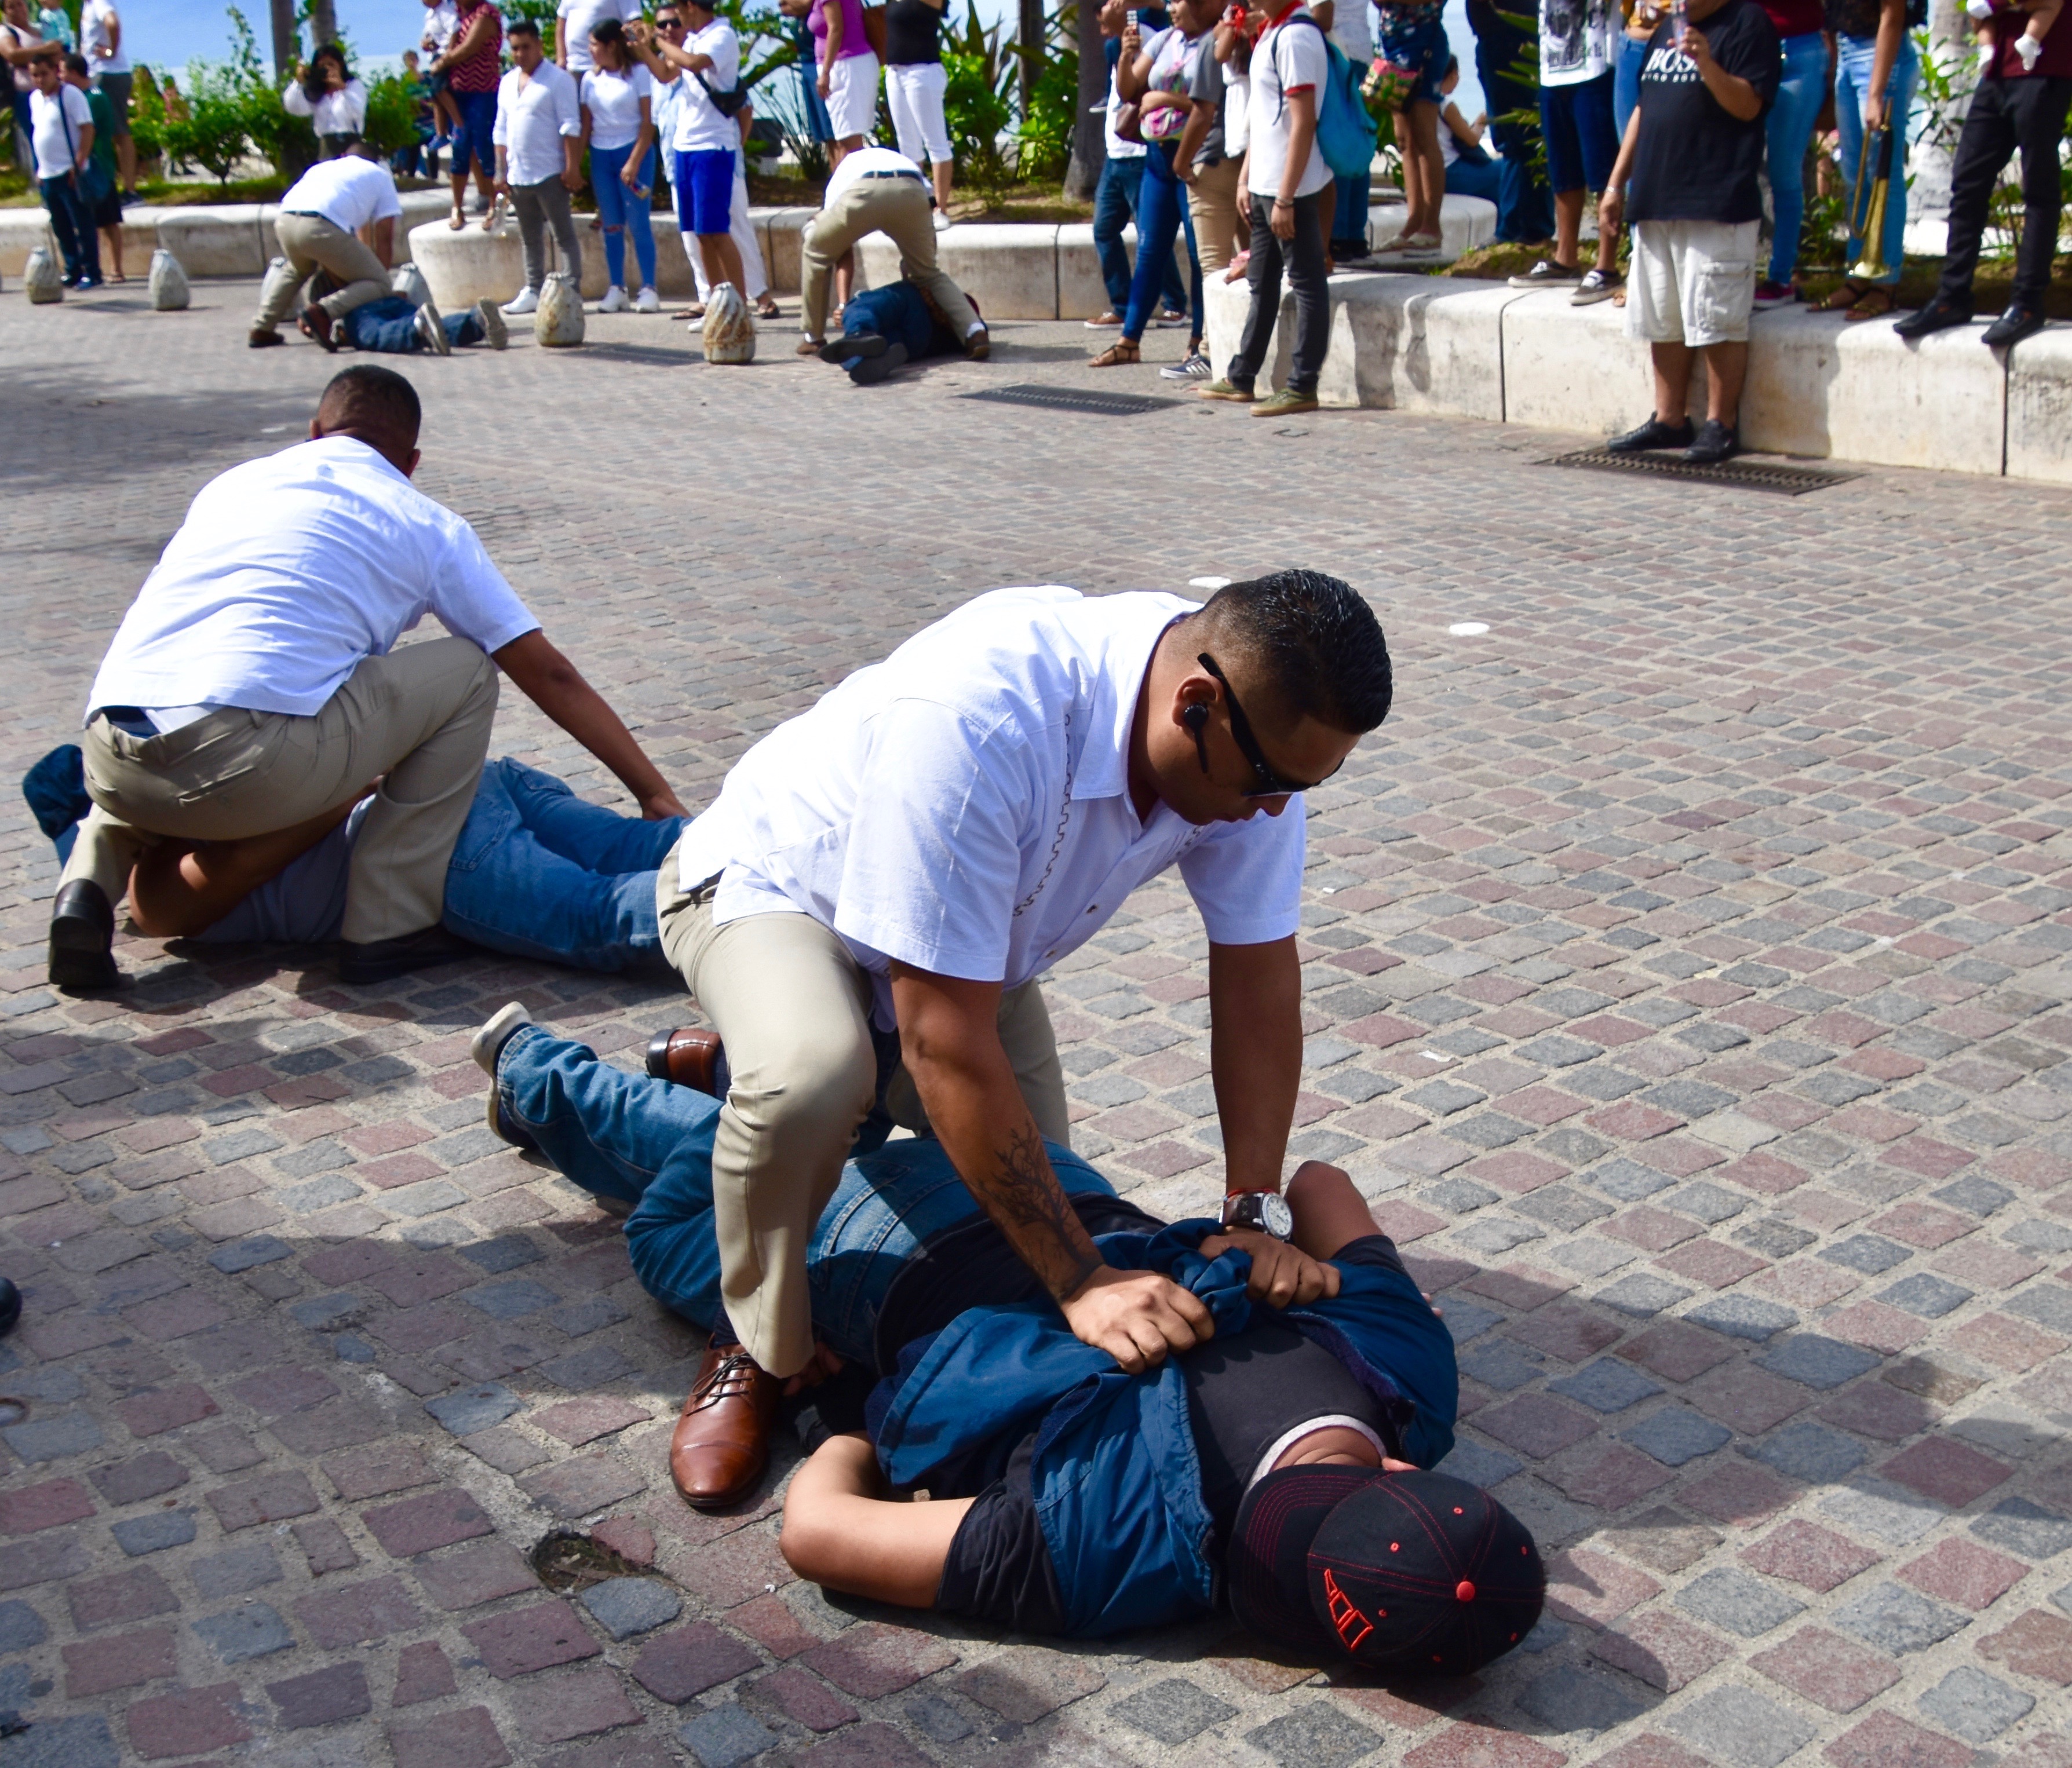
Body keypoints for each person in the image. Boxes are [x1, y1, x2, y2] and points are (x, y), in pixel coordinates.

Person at [473, 1010, 1541, 1679]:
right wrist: (849, 1428)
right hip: (871, 1267)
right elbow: (820, 1530)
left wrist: (1264, 1240)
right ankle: (568, 1074)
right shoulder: (1118, 1555)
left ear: (1403, 1466)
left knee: (769, 1136)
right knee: (678, 1217)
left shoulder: (1402, 1373)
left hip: (1043, 1184)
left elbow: (1323, 1185)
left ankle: (782, 1091)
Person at [632, 572, 1391, 1507]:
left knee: (1050, 1196)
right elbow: (942, 1038)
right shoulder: (985, 714)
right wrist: (1081, 1281)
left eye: (1309, 786)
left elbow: (1258, 981)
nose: (1275, 810)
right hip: (777, 891)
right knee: (815, 1078)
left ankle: (758, 1068)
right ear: (1195, 703)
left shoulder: (1251, 742)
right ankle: (755, 1337)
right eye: (1272, 783)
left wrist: (1251, 1213)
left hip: (958, 948)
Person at [48, 366, 689, 992]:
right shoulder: (420, 518)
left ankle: (82, 892)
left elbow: (169, 903)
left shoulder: (231, 485)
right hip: (278, 768)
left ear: (313, 432)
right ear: (410, 461)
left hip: (114, 744)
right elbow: (548, 671)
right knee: (472, 673)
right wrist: (652, 788)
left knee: (609, 897)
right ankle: (387, 923)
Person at [30, 751, 678, 975]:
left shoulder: (165, 882)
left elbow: (156, 904)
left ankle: (765, 898)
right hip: (471, 781)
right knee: (638, 846)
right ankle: (775, 844)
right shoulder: (226, 781)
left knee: (594, 913)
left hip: (422, 835)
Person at [1600, 0, 1779, 462]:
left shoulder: (1748, 23)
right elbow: (1645, 105)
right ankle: (1669, 419)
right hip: (1658, 195)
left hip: (1715, 197)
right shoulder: (1667, 29)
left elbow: (1749, 105)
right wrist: (1617, 182)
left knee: (1717, 317)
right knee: (1663, 316)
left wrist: (1706, 63)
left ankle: (1721, 423)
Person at [1893, 0, 2069, 346]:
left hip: (2046, 70)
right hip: (1997, 74)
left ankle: (2028, 303)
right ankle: (1952, 296)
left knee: (2039, 189)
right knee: (1968, 181)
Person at [1197, 0, 1334, 417]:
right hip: (1265, 185)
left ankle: (1302, 385)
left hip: (1291, 188)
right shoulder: (1274, 33)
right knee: (1262, 279)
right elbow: (1264, 117)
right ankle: (1242, 376)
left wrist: (1286, 197)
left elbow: (1302, 121)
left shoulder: (1296, 36)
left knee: (1307, 281)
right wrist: (1247, 180)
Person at [1088, 0, 1212, 372]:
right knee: (1150, 249)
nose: (1173, 9)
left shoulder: (1214, 44)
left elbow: (1212, 105)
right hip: (1158, 161)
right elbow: (1129, 91)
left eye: (1181, 3)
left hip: (1196, 160)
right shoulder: (1165, 41)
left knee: (1198, 255)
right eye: (1170, 3)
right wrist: (1126, 57)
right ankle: (1129, 341)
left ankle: (1199, 343)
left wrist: (1163, 99)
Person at [796, 141, 988, 357]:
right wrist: (921, 266)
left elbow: (839, 249)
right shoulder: (901, 160)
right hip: (911, 190)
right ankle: (975, 332)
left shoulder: (845, 167)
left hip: (863, 192)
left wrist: (843, 302)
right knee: (929, 274)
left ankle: (813, 337)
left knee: (816, 254)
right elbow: (930, 205)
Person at [628, 0, 750, 305]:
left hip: (713, 146)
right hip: (684, 146)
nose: (676, 22)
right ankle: (715, 304)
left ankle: (739, 305)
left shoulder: (722, 35)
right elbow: (666, 74)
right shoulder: (694, 38)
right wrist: (643, 47)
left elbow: (694, 63)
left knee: (717, 232)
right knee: (700, 234)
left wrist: (657, 39)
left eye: (679, 12)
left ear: (691, 5)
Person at [1509, 0, 1624, 299]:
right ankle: (1566, 258)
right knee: (1563, 169)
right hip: (1552, 67)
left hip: (1596, 65)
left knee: (1603, 171)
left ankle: (1607, 265)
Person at [1810, 0, 1912, 321]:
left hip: (1882, 58)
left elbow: (1893, 16)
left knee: (1883, 174)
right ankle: (1858, 274)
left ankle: (1886, 282)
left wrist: (1875, 94)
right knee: (1855, 174)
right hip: (1848, 55)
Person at [249, 144, 401, 350]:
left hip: (285, 221)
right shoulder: (380, 175)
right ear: (377, 161)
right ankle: (322, 312)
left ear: (343, 155)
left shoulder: (322, 167)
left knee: (297, 270)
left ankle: (262, 328)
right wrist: (376, 286)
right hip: (321, 226)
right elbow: (385, 235)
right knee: (381, 283)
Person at [494, 18, 584, 318]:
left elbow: (571, 125)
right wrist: (499, 170)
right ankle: (533, 288)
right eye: (515, 49)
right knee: (529, 235)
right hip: (519, 172)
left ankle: (571, 290)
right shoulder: (507, 82)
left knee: (563, 234)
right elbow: (501, 129)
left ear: (539, 46)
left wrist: (572, 167)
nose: (520, 54)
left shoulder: (559, 80)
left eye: (526, 47)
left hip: (550, 170)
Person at [581, 17, 659, 313]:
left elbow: (647, 123)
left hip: (635, 154)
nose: (590, 50)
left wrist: (634, 162)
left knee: (639, 223)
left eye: (594, 45)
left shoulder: (638, 74)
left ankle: (649, 287)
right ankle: (617, 287)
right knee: (612, 225)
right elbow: (586, 124)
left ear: (611, 45)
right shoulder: (590, 80)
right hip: (602, 157)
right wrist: (576, 165)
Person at [1467, 0, 1552, 244]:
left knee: (1518, 134)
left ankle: (1523, 227)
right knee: (1514, 134)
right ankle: (1522, 225)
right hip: (1503, 33)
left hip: (1507, 34)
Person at [1370, 0, 1449, 257]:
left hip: (1423, 43)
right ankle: (1414, 222)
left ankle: (1431, 228)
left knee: (1425, 136)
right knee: (1405, 140)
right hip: (1394, 47)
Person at [24, 49, 99, 289]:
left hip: (70, 172)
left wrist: (78, 163)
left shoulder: (71, 95)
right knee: (61, 226)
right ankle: (72, 269)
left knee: (82, 223)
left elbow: (87, 129)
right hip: (48, 175)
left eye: (44, 74)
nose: (39, 80)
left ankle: (92, 271)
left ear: (56, 72)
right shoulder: (35, 99)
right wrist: (40, 170)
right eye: (35, 75)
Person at [812, 275, 980, 381]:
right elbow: (975, 331)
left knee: (861, 307)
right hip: (923, 343)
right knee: (880, 341)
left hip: (913, 306)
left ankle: (859, 336)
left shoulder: (919, 289)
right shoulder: (966, 316)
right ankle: (865, 360)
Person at [433, 0, 504, 231]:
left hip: (483, 91)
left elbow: (469, 47)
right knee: (460, 146)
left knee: (485, 145)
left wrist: (443, 61)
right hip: (460, 92)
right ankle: (457, 206)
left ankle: (495, 203)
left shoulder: (486, 14)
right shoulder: (457, 14)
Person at [883, 0, 953, 213]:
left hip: (922, 72)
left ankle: (940, 208)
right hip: (895, 73)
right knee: (908, 145)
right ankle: (918, 205)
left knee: (936, 144)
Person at [61, 52, 121, 282]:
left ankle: (117, 268)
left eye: (63, 71)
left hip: (99, 167)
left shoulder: (94, 98)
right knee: (87, 221)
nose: (60, 77)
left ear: (75, 73)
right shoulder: (75, 97)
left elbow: (86, 129)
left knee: (108, 220)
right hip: (83, 168)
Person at [340, 289, 510, 354]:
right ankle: (476, 322)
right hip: (392, 298)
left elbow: (317, 316)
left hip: (359, 309)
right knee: (438, 329)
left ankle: (418, 326)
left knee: (377, 336)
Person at [811, 0, 880, 161]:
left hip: (845, 65)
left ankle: (855, 185)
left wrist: (826, 72)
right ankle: (855, 184)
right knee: (849, 139)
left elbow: (836, 29)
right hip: (850, 64)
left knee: (849, 142)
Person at [77, 0, 129, 196]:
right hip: (98, 73)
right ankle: (109, 186)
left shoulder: (99, 2)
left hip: (109, 73)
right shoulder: (88, 6)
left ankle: (129, 190)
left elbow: (112, 22)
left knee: (119, 132)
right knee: (104, 132)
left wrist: (111, 51)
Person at [1436, 56, 1501, 207]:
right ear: (1453, 75)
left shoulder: (1423, 101)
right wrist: (1480, 124)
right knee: (1507, 167)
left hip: (1438, 173)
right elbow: (1471, 139)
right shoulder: (1445, 104)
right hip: (1452, 172)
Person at [285, 43, 369, 158]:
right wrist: (298, 82)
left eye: (331, 65)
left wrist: (342, 88)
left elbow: (357, 112)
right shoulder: (316, 93)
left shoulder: (353, 86)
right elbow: (294, 108)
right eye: (323, 66)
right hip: (326, 148)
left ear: (340, 65)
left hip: (351, 146)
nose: (327, 69)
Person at [1, 0, 46, 171]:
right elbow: (13, 54)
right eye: (11, 7)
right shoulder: (6, 32)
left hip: (51, 92)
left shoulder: (40, 29)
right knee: (39, 141)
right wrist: (46, 50)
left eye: (20, 4)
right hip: (26, 95)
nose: (18, 10)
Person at [557, 0, 639, 70]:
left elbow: (634, 24)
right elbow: (561, 25)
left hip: (606, 70)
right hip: (572, 67)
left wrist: (632, 59)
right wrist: (561, 59)